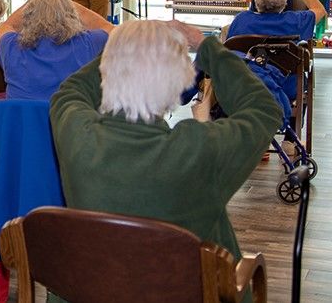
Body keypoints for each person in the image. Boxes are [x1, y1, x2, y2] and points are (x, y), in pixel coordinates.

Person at [49, 20, 281, 303]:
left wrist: (121, 49)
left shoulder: (76, 134)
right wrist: (207, 47)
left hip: (93, 291)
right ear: (177, 84)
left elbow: (70, 90)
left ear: (106, 73)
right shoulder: (199, 150)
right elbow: (264, 109)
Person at [0, 0, 112, 101]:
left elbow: (7, 25)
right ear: (72, 14)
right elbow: (111, 29)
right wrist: (65, 3)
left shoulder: (12, 46)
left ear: (27, 15)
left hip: (22, 119)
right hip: (69, 118)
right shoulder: (88, 44)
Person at [227, 0, 326, 102]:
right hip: (284, 88)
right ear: (285, 1)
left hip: (243, 86)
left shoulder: (241, 20)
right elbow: (320, 10)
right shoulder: (295, 21)